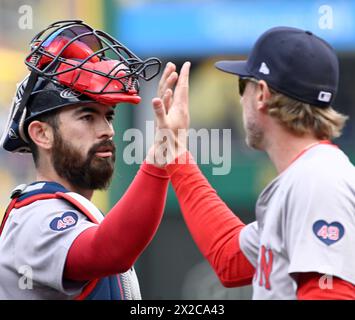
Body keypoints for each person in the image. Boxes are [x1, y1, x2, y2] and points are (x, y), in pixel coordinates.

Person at [152, 26, 355, 299]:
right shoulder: (306, 177)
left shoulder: (319, 179)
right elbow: (229, 258)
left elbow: (331, 294)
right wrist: (176, 153)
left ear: (261, 94)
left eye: (242, 85)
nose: (240, 98)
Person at [0, 20, 177, 300]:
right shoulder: (33, 219)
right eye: (87, 116)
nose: (107, 130)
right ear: (42, 134)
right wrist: (160, 156)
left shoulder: (72, 211)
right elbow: (111, 250)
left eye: (108, 115)